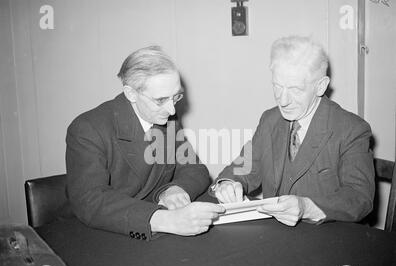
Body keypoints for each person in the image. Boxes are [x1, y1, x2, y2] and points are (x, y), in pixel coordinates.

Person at [211, 35, 375, 226]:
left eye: (295, 89)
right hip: (277, 236)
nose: (283, 100)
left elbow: (359, 197)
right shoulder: (269, 120)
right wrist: (227, 184)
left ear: (321, 86)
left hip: (328, 239)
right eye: (277, 86)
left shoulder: (351, 129)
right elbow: (244, 166)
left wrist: (307, 207)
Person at [66, 46, 224, 240]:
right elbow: (90, 201)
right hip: (113, 232)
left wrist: (174, 189)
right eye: (160, 100)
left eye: (176, 96)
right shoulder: (88, 128)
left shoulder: (165, 118)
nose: (172, 110)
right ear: (131, 94)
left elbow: (194, 169)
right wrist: (166, 220)